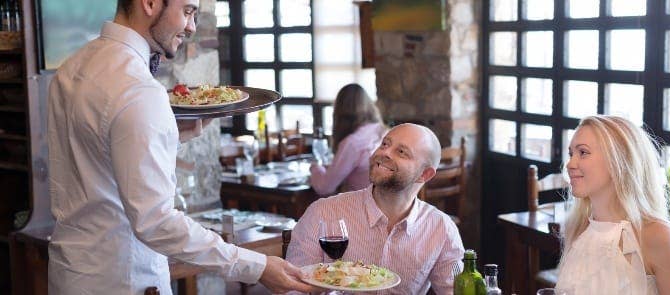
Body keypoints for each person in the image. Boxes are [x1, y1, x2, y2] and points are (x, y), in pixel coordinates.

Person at [47, 0, 316, 293]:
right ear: (149, 3)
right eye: (187, 11)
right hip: (123, 280)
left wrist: (169, 137)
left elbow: (95, 159)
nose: (191, 26)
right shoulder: (139, 90)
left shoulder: (70, 68)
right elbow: (155, 221)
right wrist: (257, 266)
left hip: (69, 274)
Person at [287, 123, 465, 294]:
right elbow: (292, 289)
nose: (385, 152)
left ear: (424, 174)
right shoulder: (323, 212)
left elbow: (454, 291)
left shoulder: (441, 228)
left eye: (401, 152)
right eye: (385, 144)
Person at [556, 115, 670, 294]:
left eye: (583, 152)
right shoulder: (579, 228)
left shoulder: (660, 237)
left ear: (619, 161)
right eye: (571, 154)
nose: (570, 164)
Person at [309, 84, 386, 196]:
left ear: (339, 111)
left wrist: (315, 168)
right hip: (385, 205)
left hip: (360, 207)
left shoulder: (352, 143)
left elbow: (325, 187)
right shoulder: (382, 130)